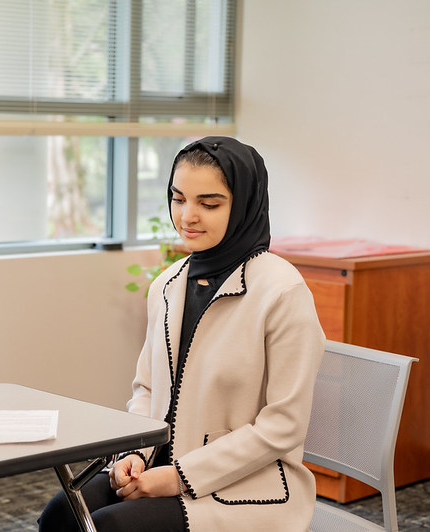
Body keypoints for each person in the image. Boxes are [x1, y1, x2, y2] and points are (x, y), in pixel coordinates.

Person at [38, 136, 325, 531]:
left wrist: (177, 477)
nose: (187, 216)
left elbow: (283, 426)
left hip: (245, 485)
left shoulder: (281, 292)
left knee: (112, 527)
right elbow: (147, 390)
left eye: (209, 204)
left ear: (243, 205)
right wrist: (132, 455)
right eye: (178, 198)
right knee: (61, 514)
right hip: (157, 463)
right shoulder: (167, 285)